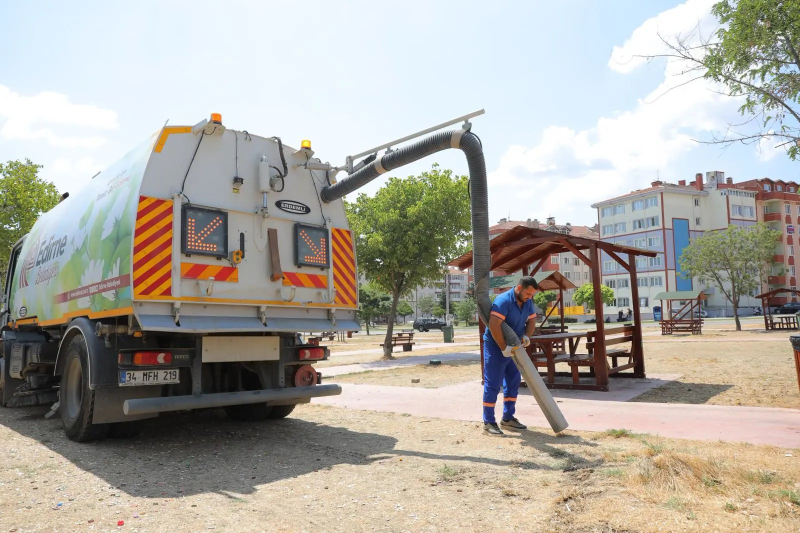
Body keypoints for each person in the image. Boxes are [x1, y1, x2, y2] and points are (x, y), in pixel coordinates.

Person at [482, 276, 538, 435]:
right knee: (493, 383)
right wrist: (502, 347)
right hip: (495, 346)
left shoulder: (527, 301)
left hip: (514, 346)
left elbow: (532, 321)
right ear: (519, 288)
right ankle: (488, 422)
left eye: (532, 295)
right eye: (528, 293)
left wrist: (527, 336)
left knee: (513, 381)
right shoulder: (503, 301)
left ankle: (508, 418)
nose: (530, 297)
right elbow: (494, 324)